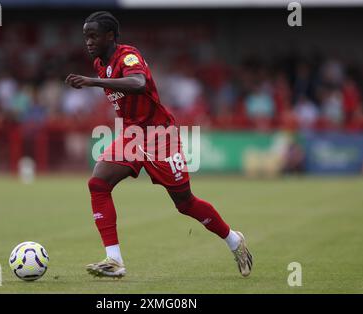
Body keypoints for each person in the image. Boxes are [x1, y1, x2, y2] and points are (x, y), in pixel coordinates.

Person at [65, 11, 252, 278]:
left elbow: (139, 83)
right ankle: (114, 260)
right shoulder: (99, 62)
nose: (89, 41)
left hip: (159, 136)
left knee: (185, 203)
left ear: (110, 36)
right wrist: (95, 78)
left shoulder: (128, 56)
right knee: (98, 183)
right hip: (131, 134)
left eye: (94, 36)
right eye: (86, 36)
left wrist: (93, 82)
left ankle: (234, 240)